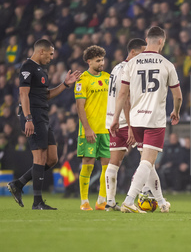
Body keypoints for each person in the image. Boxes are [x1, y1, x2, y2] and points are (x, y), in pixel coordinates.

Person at [111, 26, 182, 213]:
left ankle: (160, 202)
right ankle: (129, 200)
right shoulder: (167, 64)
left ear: (147, 39)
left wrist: (116, 118)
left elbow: (122, 94)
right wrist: (176, 110)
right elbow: (178, 96)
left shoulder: (131, 64)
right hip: (154, 120)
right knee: (148, 162)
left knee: (147, 163)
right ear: (161, 41)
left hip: (135, 120)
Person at [7, 39, 81, 210]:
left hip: (43, 115)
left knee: (52, 158)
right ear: (41, 51)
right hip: (33, 116)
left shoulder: (42, 70)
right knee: (39, 157)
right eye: (51, 53)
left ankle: (19, 184)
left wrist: (64, 85)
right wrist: (28, 119)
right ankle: (37, 202)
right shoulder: (28, 67)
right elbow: (23, 95)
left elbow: (46, 95)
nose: (52, 57)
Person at [105, 38, 146, 211]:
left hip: (112, 120)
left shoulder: (116, 68)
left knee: (114, 162)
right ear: (134, 52)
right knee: (148, 158)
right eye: (143, 53)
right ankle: (150, 196)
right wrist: (130, 126)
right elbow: (127, 99)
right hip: (127, 122)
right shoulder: (130, 69)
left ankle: (109, 202)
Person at [74, 45, 110, 211]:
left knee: (108, 166)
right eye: (98, 60)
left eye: (102, 60)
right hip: (90, 130)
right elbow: (80, 107)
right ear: (89, 61)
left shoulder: (109, 78)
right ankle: (84, 201)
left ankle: (101, 201)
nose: (101, 63)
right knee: (87, 164)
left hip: (106, 129)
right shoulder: (83, 80)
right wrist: (87, 129)